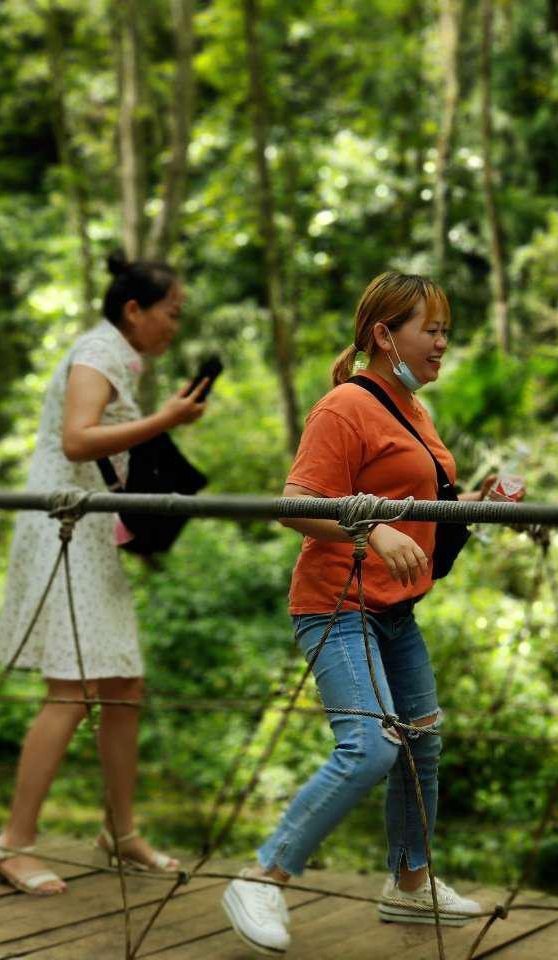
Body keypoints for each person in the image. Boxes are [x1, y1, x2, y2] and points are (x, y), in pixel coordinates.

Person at [221, 271, 515, 955]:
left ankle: (409, 889)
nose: (443, 343)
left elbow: (416, 504)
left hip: (395, 611)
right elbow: (296, 502)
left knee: (422, 745)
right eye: (430, 329)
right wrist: (369, 530)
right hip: (336, 605)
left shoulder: (411, 409)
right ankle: (262, 876)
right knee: (371, 748)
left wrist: (481, 502)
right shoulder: (344, 408)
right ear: (385, 335)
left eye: (446, 330)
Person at [0, 252, 210, 894]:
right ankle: (12, 845)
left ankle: (120, 831)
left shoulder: (116, 356)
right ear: (134, 309)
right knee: (72, 689)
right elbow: (77, 439)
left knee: (122, 684)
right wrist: (165, 420)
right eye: (171, 313)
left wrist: (158, 421)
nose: (175, 325)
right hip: (63, 529)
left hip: (89, 532)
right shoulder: (98, 351)